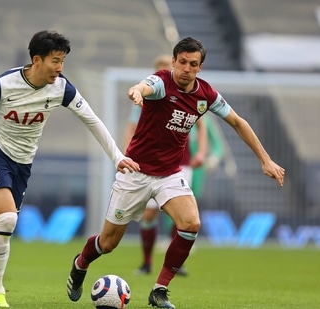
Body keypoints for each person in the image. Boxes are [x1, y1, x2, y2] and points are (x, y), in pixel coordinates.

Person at [0, 30, 139, 308]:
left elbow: (92, 121)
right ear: (37, 60)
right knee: (8, 220)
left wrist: (116, 156)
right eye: (55, 61)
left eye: (63, 62)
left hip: (23, 163)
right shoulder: (4, 84)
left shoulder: (62, 88)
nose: (59, 68)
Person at [66, 37, 285, 309]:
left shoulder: (206, 95)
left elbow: (238, 122)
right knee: (108, 243)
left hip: (170, 174)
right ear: (174, 62)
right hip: (136, 172)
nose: (186, 69)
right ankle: (80, 264)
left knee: (191, 224)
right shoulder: (161, 83)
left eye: (193, 64)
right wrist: (137, 91)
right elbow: (145, 86)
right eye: (182, 62)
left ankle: (159, 290)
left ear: (200, 67)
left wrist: (266, 160)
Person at [123, 54, 208, 277]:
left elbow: (201, 126)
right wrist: (123, 155)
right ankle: (146, 262)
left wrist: (200, 152)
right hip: (147, 163)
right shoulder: (148, 96)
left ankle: (173, 266)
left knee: (181, 216)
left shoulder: (190, 96)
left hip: (181, 162)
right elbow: (131, 128)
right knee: (149, 215)